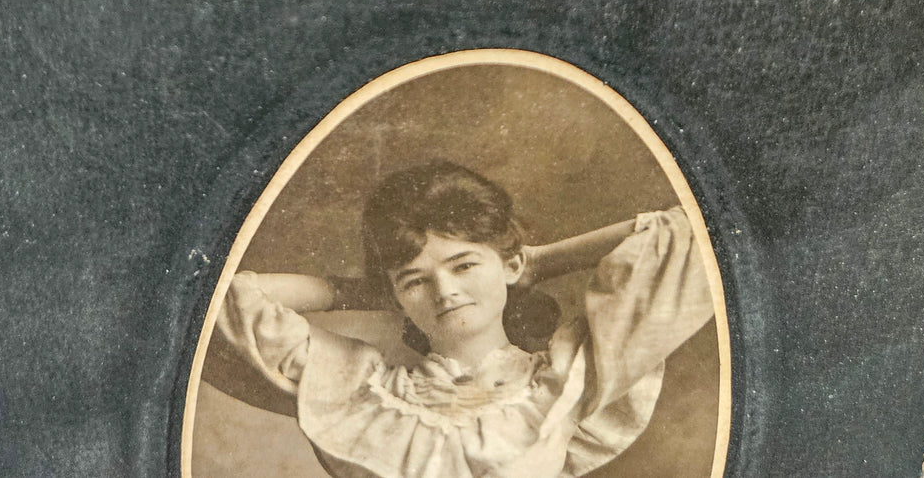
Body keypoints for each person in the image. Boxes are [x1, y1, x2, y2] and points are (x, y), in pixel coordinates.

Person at [212, 160, 714, 478]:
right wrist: (365, 291)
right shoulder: (365, 393)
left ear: (508, 264)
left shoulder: (561, 383)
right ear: (396, 296)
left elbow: (688, 234)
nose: (445, 291)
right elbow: (223, 297)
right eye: (416, 281)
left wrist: (539, 263)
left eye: (465, 265)